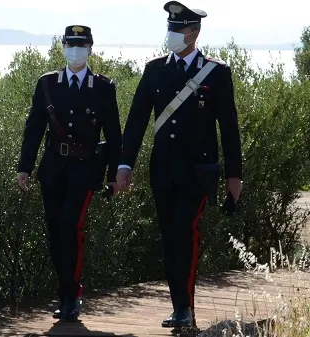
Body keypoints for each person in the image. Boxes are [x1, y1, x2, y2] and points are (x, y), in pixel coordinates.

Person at [116, 1, 243, 328]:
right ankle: (181, 306)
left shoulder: (216, 72)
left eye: (178, 29)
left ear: (194, 32)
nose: (172, 34)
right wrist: (124, 165)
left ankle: (184, 308)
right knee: (170, 237)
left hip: (197, 172)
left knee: (184, 233)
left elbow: (228, 127)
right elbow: (136, 122)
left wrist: (234, 176)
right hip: (163, 170)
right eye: (170, 28)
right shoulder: (155, 69)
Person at [16, 24, 122, 321]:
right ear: (63, 47)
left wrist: (114, 174)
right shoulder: (48, 84)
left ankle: (72, 296)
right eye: (70, 44)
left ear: (90, 49)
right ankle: (65, 293)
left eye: (81, 45)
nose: (75, 50)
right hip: (52, 171)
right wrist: (24, 167)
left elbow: (114, 134)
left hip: (85, 171)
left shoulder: (103, 87)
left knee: (69, 227)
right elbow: (34, 127)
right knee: (54, 232)